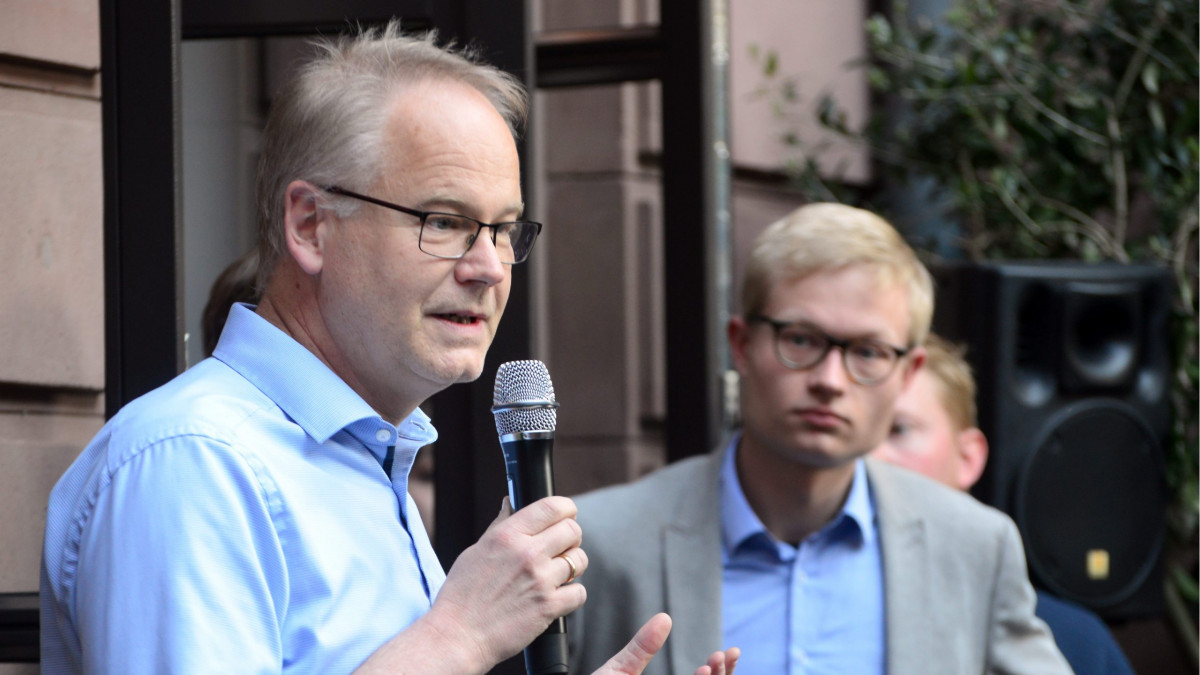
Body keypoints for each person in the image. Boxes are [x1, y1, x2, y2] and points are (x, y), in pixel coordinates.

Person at [40, 23, 738, 675]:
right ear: (311, 225)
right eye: (444, 221)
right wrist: (457, 634)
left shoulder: (367, 458)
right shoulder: (192, 459)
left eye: (503, 229)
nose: (490, 267)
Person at [567, 203, 1071, 674]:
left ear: (908, 372)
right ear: (741, 345)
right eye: (801, 340)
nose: (830, 380)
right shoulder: (602, 546)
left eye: (868, 352)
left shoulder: (974, 546)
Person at [872, 333, 1135, 675]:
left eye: (898, 430)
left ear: (968, 457)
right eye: (855, 437)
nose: (871, 458)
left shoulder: (1075, 642)